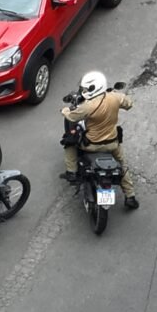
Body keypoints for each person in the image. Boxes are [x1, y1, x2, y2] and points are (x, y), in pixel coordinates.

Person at [60, 70, 139, 209]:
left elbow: (72, 117)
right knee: (122, 165)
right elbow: (129, 104)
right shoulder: (115, 98)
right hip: (112, 144)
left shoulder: (88, 106)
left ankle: (71, 172)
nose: (85, 91)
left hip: (91, 145)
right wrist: (116, 95)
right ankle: (130, 196)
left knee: (69, 142)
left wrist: (64, 110)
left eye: (87, 89)